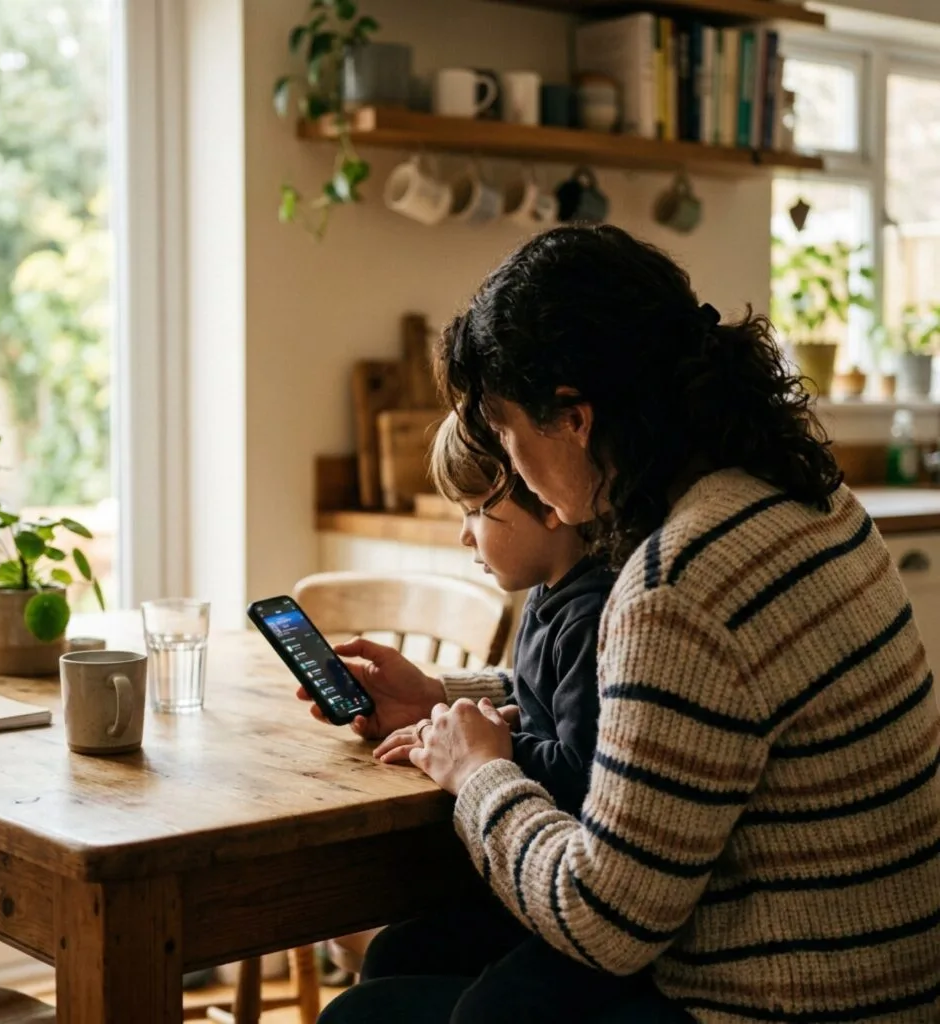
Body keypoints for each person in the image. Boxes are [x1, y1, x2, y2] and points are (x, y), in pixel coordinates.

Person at [313, 225, 940, 1024]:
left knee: (370, 1015)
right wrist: (445, 697)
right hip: (883, 983)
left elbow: (603, 921)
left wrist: (478, 777)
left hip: (775, 1002)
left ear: (573, 417)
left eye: (507, 433)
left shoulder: (679, 580)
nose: (516, 468)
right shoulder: (800, 499)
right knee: (418, 960)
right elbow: (661, 727)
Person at [326, 410, 615, 981]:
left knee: (402, 953)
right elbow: (532, 704)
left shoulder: (592, 615)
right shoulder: (546, 595)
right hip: (520, 863)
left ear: (547, 499)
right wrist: (445, 712)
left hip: (555, 880)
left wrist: (484, 750)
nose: (464, 534)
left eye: (477, 510)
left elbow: (583, 770)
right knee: (395, 951)